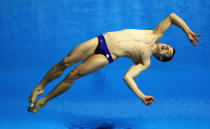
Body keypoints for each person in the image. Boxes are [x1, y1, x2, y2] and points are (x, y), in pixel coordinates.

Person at [28, 13, 200, 113]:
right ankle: (41, 85)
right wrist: (187, 32)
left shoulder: (145, 61)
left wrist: (141, 96)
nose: (165, 47)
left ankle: (45, 100)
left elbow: (128, 77)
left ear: (161, 58)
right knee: (66, 61)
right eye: (168, 46)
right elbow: (171, 17)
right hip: (102, 40)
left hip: (109, 55)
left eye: (167, 51)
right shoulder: (155, 34)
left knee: (73, 75)